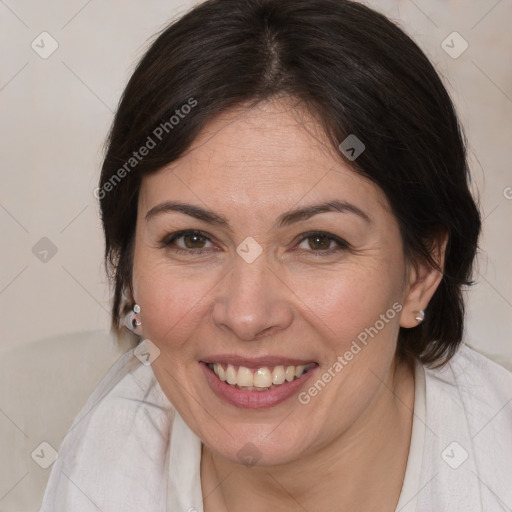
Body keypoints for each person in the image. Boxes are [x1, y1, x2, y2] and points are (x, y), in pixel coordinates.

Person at [38, 0, 512, 510]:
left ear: (420, 272)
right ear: (131, 270)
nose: (246, 315)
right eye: (192, 239)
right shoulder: (93, 468)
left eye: (319, 241)